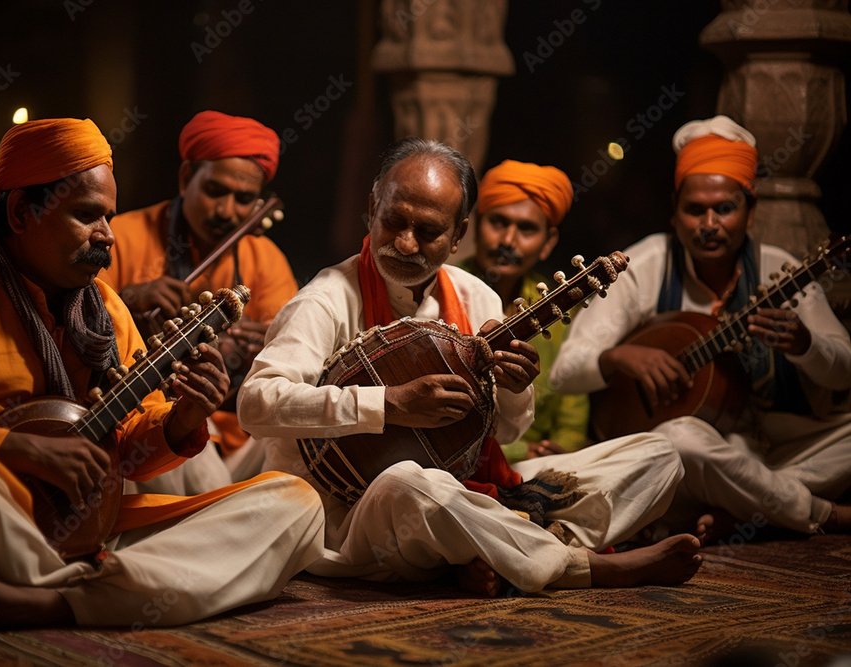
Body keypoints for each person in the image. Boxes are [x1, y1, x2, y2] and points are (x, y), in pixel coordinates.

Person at [0, 118, 323, 629]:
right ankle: (107, 593)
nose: (108, 237)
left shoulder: (105, 311)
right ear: (20, 211)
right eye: (87, 216)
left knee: (295, 506)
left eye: (110, 218)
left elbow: (134, 454)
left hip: (84, 526)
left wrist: (182, 418)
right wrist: (11, 448)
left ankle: (49, 601)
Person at [237, 137, 705, 597]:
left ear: (460, 234)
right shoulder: (327, 298)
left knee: (659, 456)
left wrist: (516, 387)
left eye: (428, 231)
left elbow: (506, 437)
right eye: (393, 221)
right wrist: (388, 404)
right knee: (409, 481)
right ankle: (576, 565)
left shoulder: (476, 297)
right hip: (352, 514)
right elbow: (255, 405)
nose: (404, 243)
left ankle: (489, 552)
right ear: (372, 206)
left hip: (470, 492)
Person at [550, 115, 851, 538]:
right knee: (681, 439)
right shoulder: (647, 265)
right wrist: (618, 356)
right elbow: (564, 372)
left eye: (725, 208)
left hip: (779, 451)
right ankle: (821, 514)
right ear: (674, 212)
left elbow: (843, 371)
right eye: (695, 210)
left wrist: (804, 344)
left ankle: (748, 509)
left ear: (751, 212)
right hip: (694, 455)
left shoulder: (781, 271)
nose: (709, 224)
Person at [100, 110, 298, 492]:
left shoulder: (266, 260)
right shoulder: (121, 236)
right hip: (157, 432)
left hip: (239, 443)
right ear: (187, 178)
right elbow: (77, 333)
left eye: (244, 199)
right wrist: (125, 304)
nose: (226, 211)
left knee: (299, 435)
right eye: (215, 191)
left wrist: (264, 351)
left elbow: (291, 366)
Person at [456, 159, 590, 462]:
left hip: (539, 464)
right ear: (475, 227)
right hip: (458, 463)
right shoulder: (443, 290)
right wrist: (517, 452)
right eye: (499, 222)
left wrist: (561, 452)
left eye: (527, 229)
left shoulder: (559, 311)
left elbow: (572, 416)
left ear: (548, 243)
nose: (507, 241)